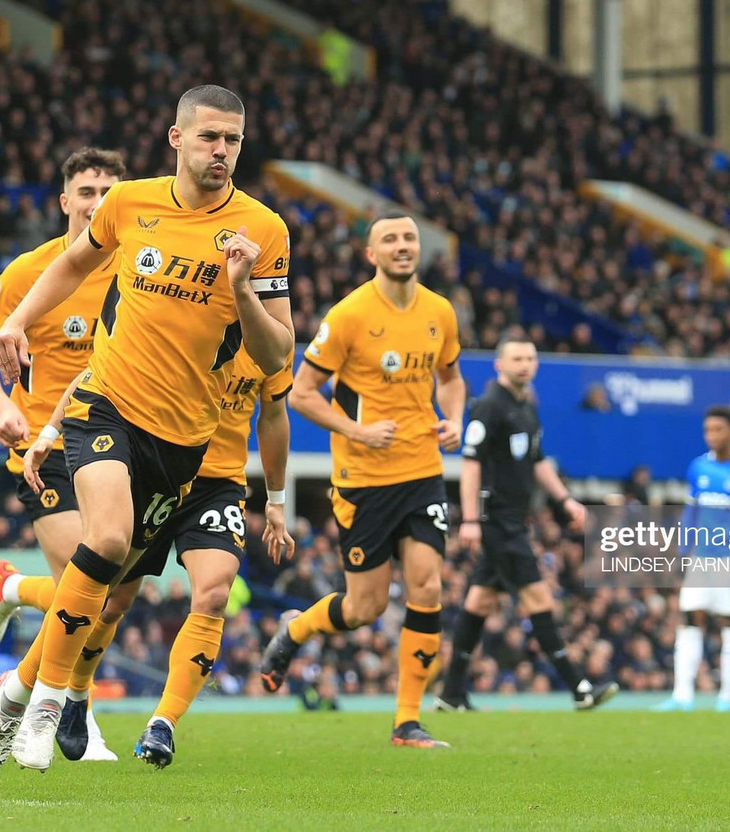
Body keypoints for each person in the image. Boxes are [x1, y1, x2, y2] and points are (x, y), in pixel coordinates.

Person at [0, 84, 293, 776]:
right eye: (209, 137)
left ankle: (16, 693)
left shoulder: (263, 230)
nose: (221, 151)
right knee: (107, 539)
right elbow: (72, 263)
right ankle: (51, 705)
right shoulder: (131, 204)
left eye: (233, 140)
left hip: (183, 441)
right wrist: (19, 322)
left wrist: (240, 288)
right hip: (103, 402)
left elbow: (276, 360)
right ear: (176, 138)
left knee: (111, 590)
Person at [17, 346, 296, 767]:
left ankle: (163, 722)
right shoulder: (180, 311)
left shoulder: (270, 337)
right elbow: (99, 373)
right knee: (109, 601)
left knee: (215, 594)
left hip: (216, 485)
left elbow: (274, 417)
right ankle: (75, 690)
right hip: (157, 467)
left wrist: (276, 500)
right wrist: (49, 433)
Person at [259, 211, 465, 749]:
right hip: (364, 477)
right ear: (371, 254)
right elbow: (302, 394)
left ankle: (406, 721)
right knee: (364, 608)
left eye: (410, 238)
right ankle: (296, 628)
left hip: (422, 469)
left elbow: (451, 377)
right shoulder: (350, 315)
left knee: (427, 585)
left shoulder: (439, 312)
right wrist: (357, 430)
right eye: (390, 239)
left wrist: (455, 420)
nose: (402, 246)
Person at [0, 147, 126, 761]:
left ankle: (10, 595)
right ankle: (57, 711)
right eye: (87, 192)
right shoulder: (31, 270)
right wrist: (3, 409)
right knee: (80, 587)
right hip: (46, 447)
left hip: (119, 440)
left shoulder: (139, 271)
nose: (97, 204)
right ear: (65, 200)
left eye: (108, 193)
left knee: (104, 597)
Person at [436, 332, 617, 712]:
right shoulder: (488, 405)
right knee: (538, 596)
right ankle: (579, 687)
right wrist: (470, 519)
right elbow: (470, 463)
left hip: (516, 518)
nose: (525, 365)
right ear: (499, 364)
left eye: (530, 359)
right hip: (496, 518)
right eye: (517, 359)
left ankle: (452, 693)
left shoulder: (527, 407)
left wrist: (565, 500)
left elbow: (537, 461)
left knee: (480, 600)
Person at [669, 406, 730, 712]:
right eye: (707, 430)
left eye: (718, 430)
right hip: (701, 557)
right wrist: (683, 551)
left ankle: (727, 696)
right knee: (689, 620)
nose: (711, 435)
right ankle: (682, 695)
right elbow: (691, 512)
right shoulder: (698, 468)